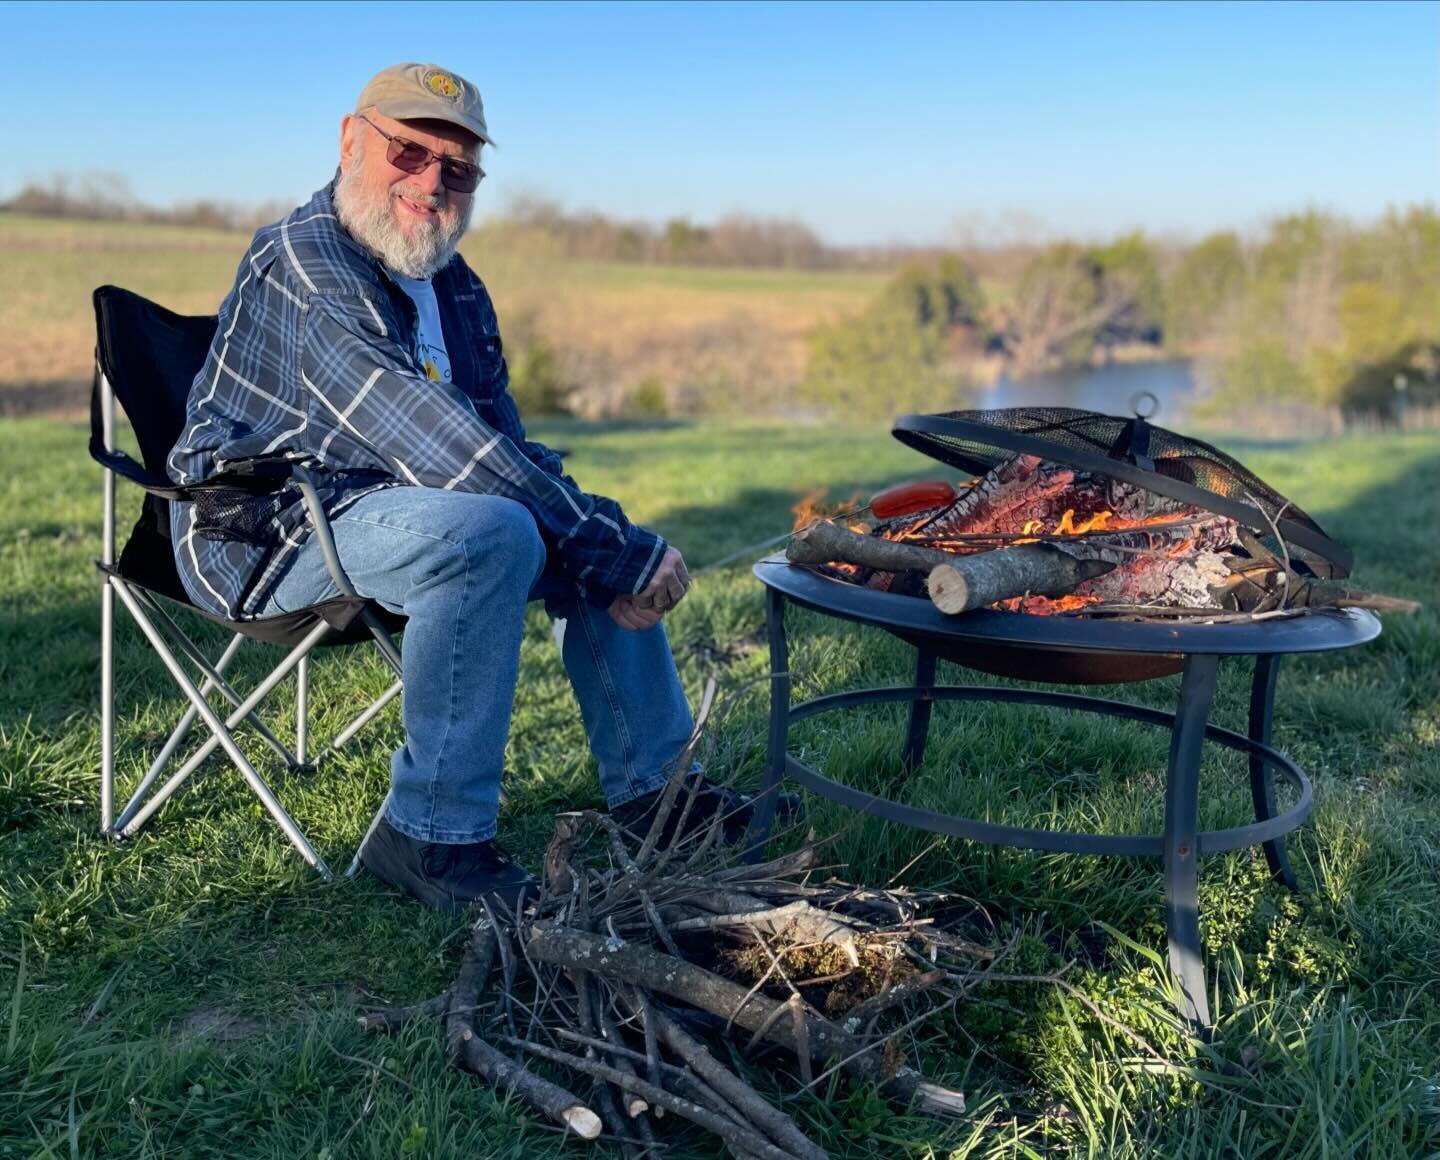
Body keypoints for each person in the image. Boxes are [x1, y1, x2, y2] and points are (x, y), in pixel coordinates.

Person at [167, 62, 782, 911]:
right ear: (352, 140)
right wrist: (608, 544)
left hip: (398, 514)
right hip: (268, 534)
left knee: (565, 529)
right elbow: (430, 436)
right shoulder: (303, 259)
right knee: (504, 531)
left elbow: (504, 448)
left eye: (457, 170)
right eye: (408, 152)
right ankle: (428, 837)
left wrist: (610, 541)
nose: (431, 183)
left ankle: (659, 799)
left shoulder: (456, 289)